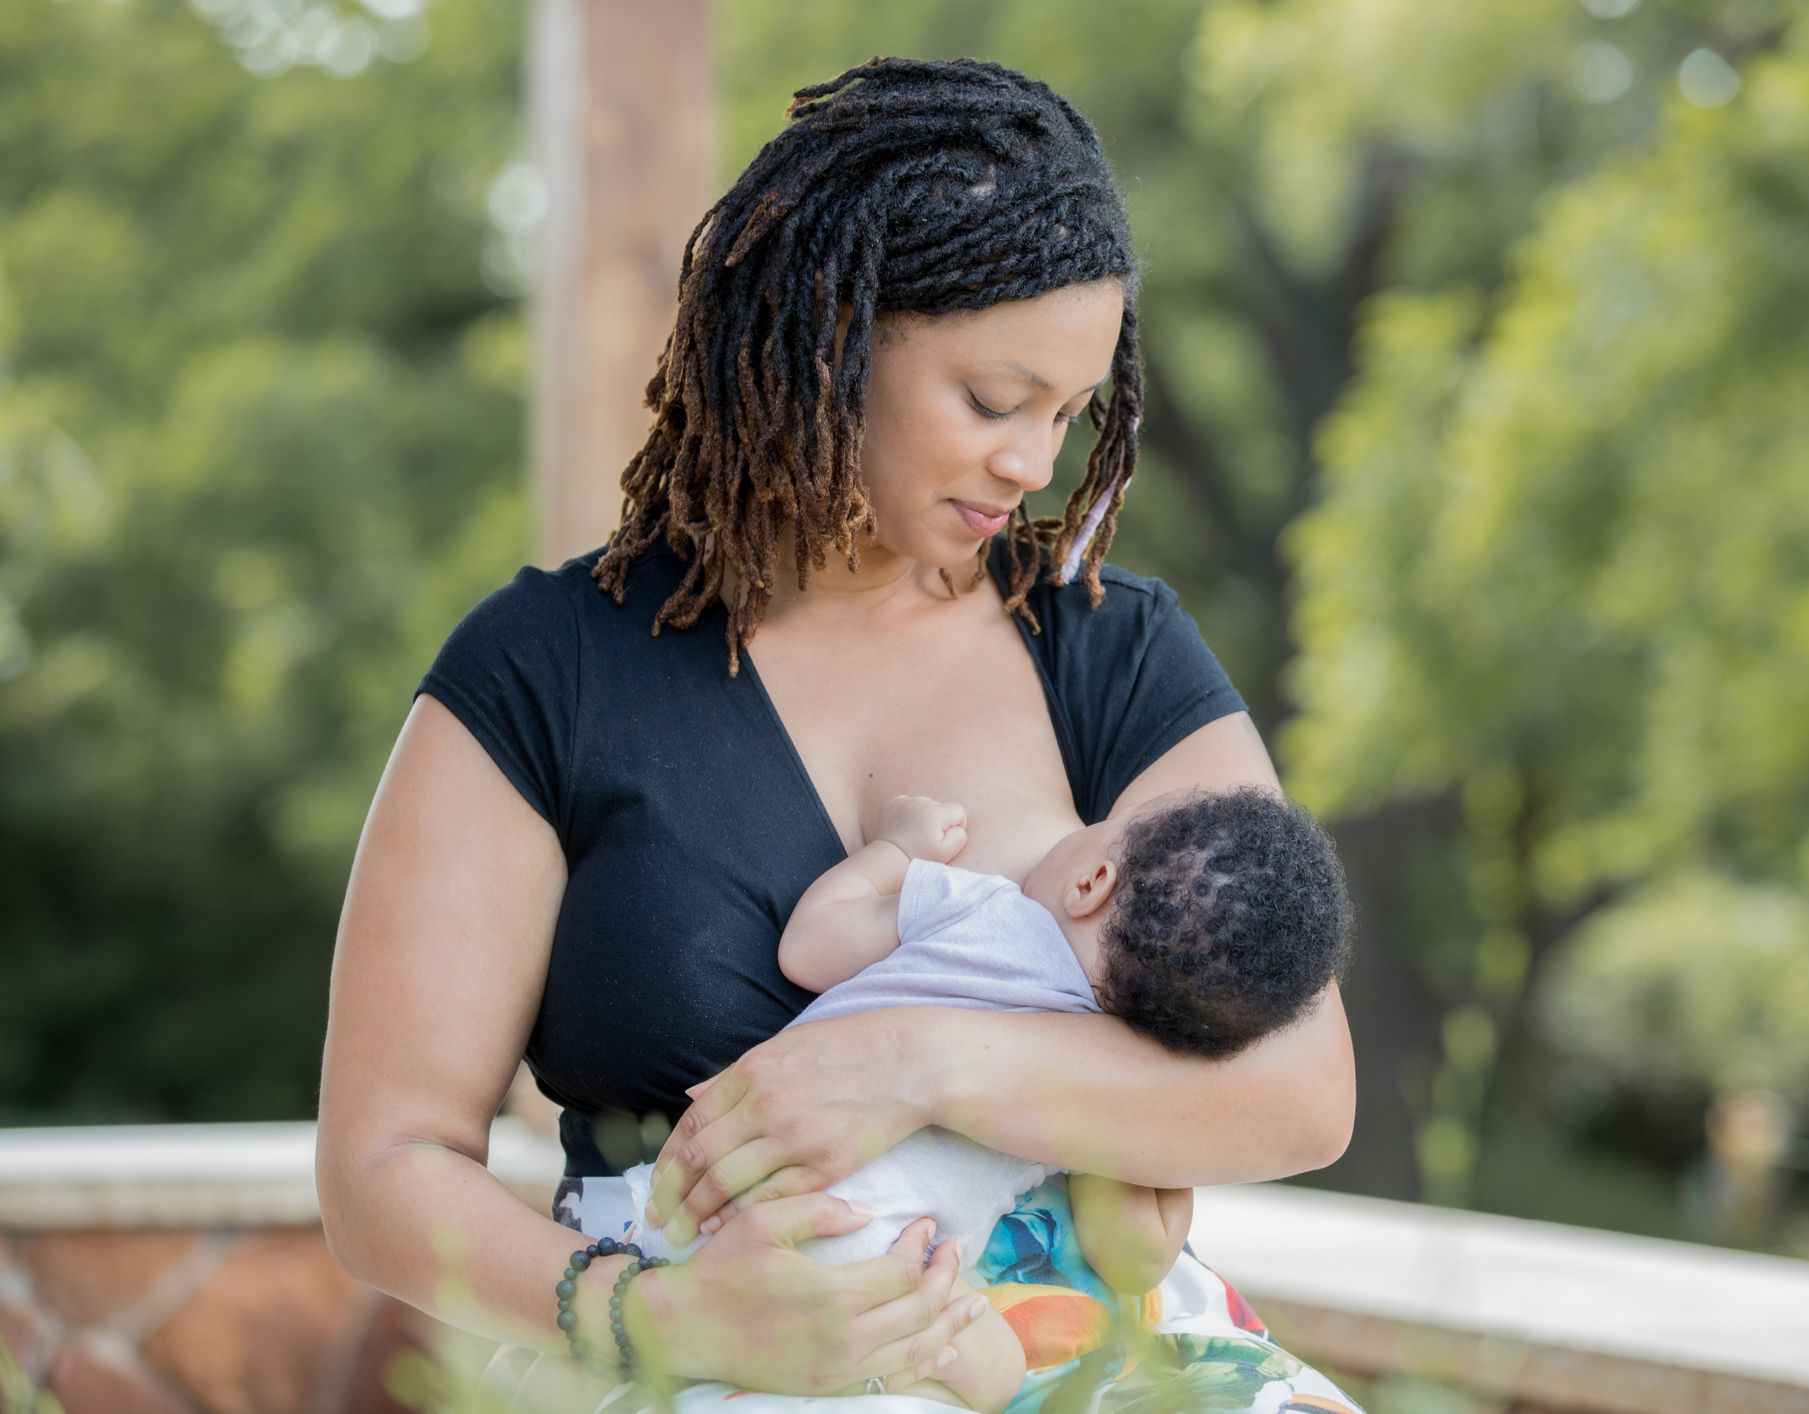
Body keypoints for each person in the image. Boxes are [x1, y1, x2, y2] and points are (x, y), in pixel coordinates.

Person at [315, 56, 1359, 1410]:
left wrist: (910, 1060)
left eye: (1068, 413)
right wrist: (659, 1316)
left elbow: (1299, 1084)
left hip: (1098, 1363)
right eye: (992, 400)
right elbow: (384, 1166)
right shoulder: (541, 674)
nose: (1034, 464)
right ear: (834, 334)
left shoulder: (1106, 644)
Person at [574, 787, 1352, 1409]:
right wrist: (1161, 1162)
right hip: (884, 1281)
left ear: (1089, 881)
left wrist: (895, 850)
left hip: (705, 1199)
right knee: (998, 1365)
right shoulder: (1098, 1083)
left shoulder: (980, 907)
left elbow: (811, 946)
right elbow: (1133, 1253)